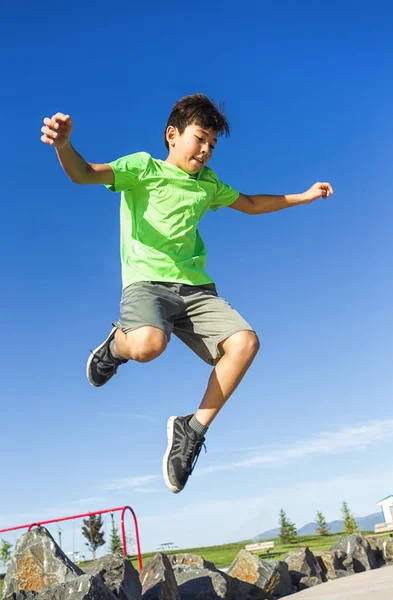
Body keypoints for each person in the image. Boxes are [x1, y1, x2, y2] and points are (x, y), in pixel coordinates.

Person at [40, 94, 333, 494]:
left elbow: (249, 203)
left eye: (212, 144)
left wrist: (304, 195)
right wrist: (63, 145)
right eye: (200, 139)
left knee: (245, 343)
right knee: (147, 345)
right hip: (147, 284)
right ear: (172, 135)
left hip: (195, 290)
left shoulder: (207, 184)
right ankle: (117, 346)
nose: (206, 150)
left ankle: (191, 431)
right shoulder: (142, 168)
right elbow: (86, 173)